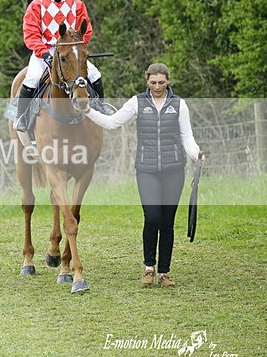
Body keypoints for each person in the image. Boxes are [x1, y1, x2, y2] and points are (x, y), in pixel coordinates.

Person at [86, 63, 204, 287]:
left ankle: (164, 272)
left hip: (174, 170)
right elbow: (112, 123)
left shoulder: (179, 105)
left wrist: (196, 154)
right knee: (152, 218)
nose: (157, 87)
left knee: (167, 222)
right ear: (147, 82)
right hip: (146, 170)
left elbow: (187, 137)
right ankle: (149, 267)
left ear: (168, 81)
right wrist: (87, 111)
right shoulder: (137, 102)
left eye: (161, 82)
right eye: (153, 82)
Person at [15, 0, 110, 132]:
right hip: (43, 52)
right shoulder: (36, 4)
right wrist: (43, 53)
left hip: (71, 51)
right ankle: (21, 116)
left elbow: (86, 29)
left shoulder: (77, 4)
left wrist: (78, 49)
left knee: (95, 75)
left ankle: (102, 107)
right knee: (32, 78)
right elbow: (30, 33)